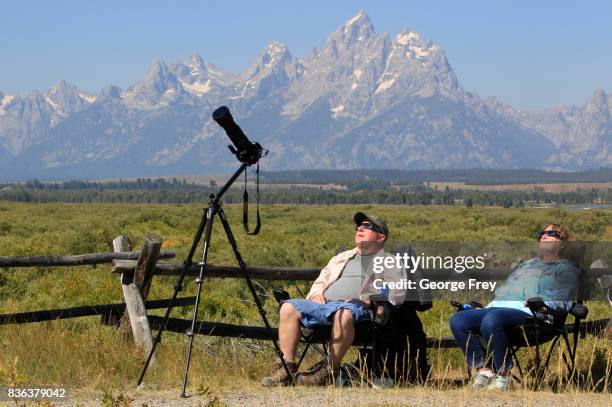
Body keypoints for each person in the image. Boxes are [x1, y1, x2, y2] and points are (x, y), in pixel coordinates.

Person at [261, 212, 407, 386]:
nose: (360, 228)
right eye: (358, 226)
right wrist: (316, 294)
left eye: (367, 226)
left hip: (359, 309)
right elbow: (320, 281)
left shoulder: (389, 261)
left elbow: (397, 292)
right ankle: (286, 367)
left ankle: (330, 369)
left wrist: (370, 300)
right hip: (325, 306)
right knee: (288, 307)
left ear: (380, 236)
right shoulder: (341, 258)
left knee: (343, 313)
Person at [449, 223, 580, 390]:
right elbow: (508, 291)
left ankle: (502, 377)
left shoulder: (566, 269)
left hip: (533, 317)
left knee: (492, 318)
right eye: (542, 233)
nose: (544, 236)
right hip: (498, 310)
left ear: (563, 242)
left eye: (551, 233)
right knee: (459, 320)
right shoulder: (528, 265)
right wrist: (485, 307)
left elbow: (564, 300)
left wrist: (541, 304)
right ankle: (484, 371)